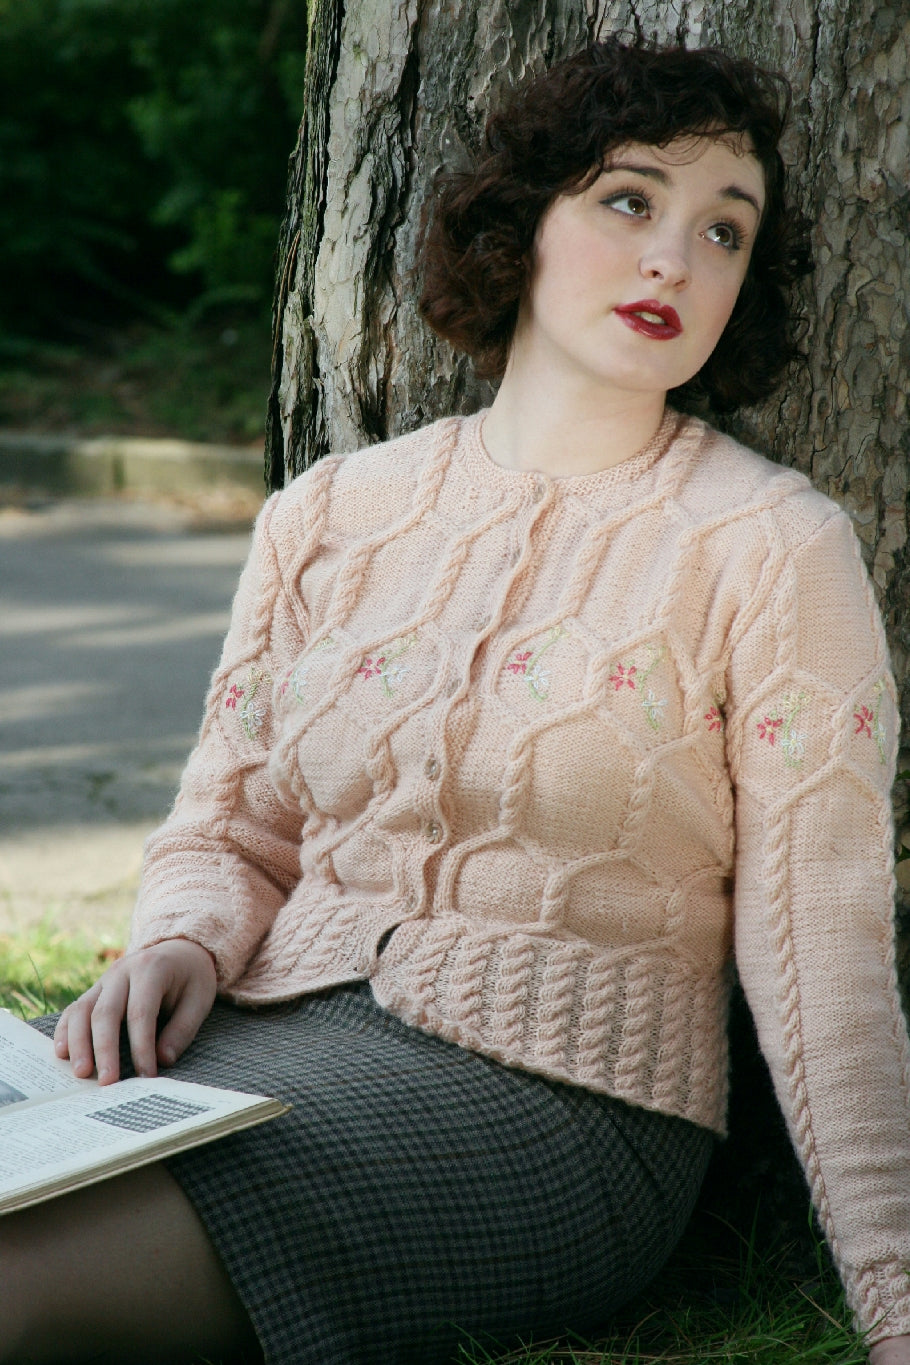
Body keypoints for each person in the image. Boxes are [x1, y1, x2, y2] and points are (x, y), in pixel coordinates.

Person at [3, 35, 909, 1365]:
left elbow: (818, 939)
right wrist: (182, 943)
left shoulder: (769, 545)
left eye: (725, 229)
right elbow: (228, 825)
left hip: (556, 1109)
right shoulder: (329, 516)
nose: (675, 255)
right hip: (235, 1040)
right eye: (628, 200)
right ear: (520, 221)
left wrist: (892, 1290)